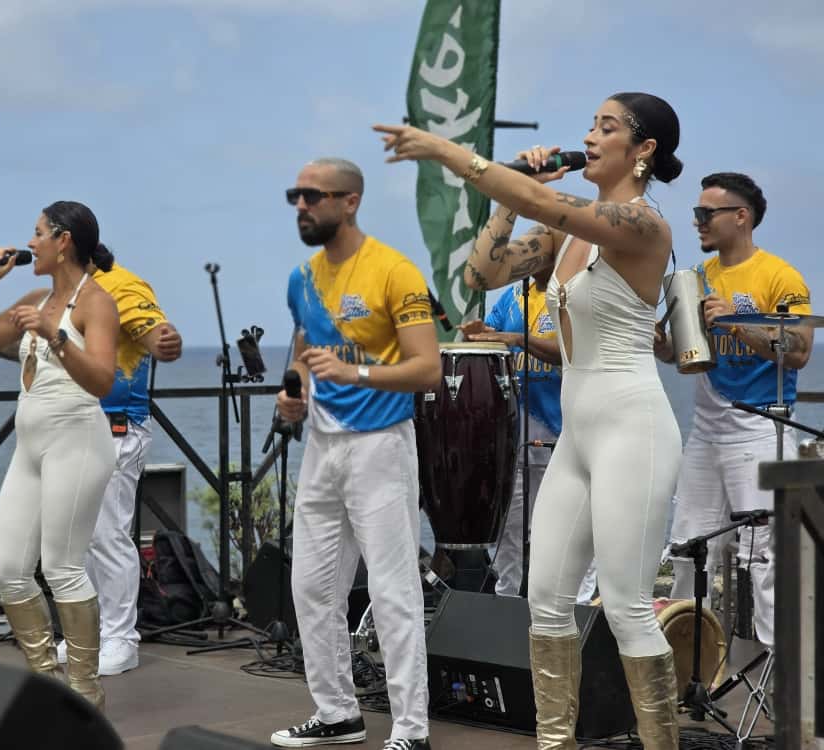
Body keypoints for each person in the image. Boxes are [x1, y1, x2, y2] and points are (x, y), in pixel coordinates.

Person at [376, 91, 684, 749]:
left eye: (606, 127)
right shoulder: (566, 234)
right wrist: (510, 198)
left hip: (633, 427)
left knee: (627, 606)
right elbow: (482, 272)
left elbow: (549, 204)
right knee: (545, 602)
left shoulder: (642, 225)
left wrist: (448, 152)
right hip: (578, 435)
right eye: (590, 125)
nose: (590, 136)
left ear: (644, 150)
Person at [271, 158, 441, 750]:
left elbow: (429, 369)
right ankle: (338, 713)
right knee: (311, 589)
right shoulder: (302, 279)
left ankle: (412, 729)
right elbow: (304, 349)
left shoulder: (394, 271)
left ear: (350, 201)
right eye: (296, 196)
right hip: (322, 447)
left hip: (380, 445)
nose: (301, 206)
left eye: (313, 195)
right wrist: (293, 393)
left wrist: (355, 373)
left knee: (393, 591)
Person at [0, 200, 119, 710]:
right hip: (29, 450)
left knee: (63, 568)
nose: (30, 242)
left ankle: (86, 698)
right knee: (9, 571)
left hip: (77, 441)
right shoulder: (35, 299)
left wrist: (55, 336)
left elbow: (102, 382)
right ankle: (49, 688)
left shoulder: (96, 304)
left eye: (38, 232)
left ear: (63, 240)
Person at [658, 172, 813, 648]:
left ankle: (777, 669)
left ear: (741, 216)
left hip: (761, 429)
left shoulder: (779, 276)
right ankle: (690, 664)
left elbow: (800, 350)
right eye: (696, 214)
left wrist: (738, 323)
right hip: (706, 433)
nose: (697, 222)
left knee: (763, 557)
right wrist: (659, 343)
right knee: (688, 550)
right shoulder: (697, 277)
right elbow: (683, 355)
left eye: (706, 213)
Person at [54, 254, 182, 675]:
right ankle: (88, 634)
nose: (35, 245)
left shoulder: (122, 285)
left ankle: (122, 640)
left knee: (108, 536)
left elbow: (158, 335)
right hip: (80, 427)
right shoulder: (73, 293)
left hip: (117, 429)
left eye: (44, 235)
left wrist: (165, 340)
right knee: (81, 540)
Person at [460, 265, 597, 604]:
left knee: (570, 525)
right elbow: (489, 340)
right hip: (515, 433)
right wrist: (477, 335)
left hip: (562, 431)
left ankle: (579, 603)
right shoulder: (512, 297)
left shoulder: (572, 294)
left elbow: (572, 352)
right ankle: (507, 598)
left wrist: (519, 339)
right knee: (510, 526)